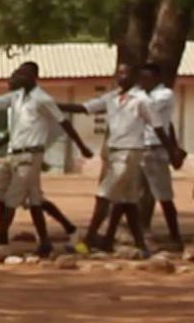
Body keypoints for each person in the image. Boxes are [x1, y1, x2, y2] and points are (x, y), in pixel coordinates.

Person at [0, 61, 91, 256]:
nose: (15, 77)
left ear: (33, 77)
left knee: (12, 198)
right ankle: (48, 240)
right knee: (24, 198)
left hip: (30, 155)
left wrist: (82, 147)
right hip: (13, 154)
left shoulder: (42, 99)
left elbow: (64, 122)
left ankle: (1, 237)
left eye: (21, 74)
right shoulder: (16, 97)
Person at [59, 64, 163, 254]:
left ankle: (88, 241)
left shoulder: (142, 100)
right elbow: (84, 108)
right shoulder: (112, 98)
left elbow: (157, 125)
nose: (121, 76)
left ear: (135, 76)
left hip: (129, 152)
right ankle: (140, 245)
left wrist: (172, 150)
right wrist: (55, 105)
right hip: (114, 152)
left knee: (103, 194)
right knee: (128, 200)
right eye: (119, 73)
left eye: (126, 73)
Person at [134, 63, 186, 248]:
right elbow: (168, 124)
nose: (143, 82)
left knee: (164, 195)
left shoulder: (164, 95)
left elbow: (151, 115)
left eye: (147, 78)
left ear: (156, 78)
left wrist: (172, 149)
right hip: (138, 147)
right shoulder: (140, 94)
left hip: (155, 148)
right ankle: (137, 236)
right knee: (129, 194)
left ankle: (175, 236)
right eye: (142, 78)